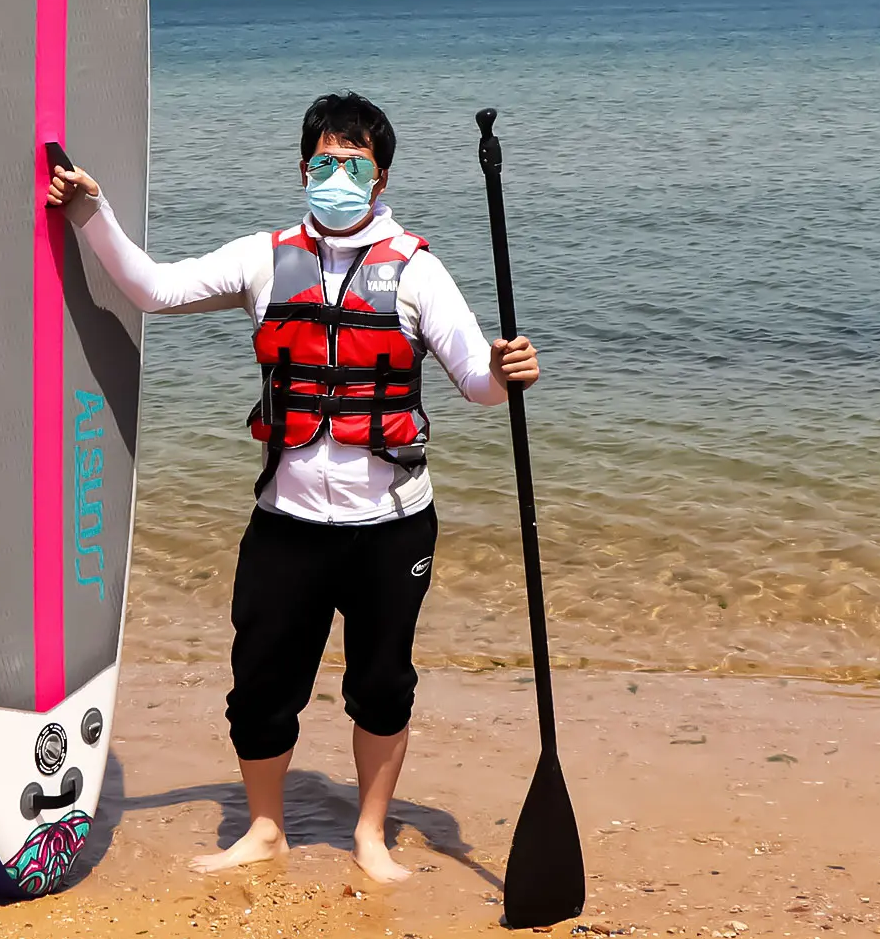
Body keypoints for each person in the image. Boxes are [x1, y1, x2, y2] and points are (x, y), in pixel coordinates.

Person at [46, 90, 539, 883]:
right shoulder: (261, 259)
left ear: (381, 179)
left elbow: (477, 383)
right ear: (302, 168)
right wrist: (89, 212)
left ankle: (370, 835)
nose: (337, 176)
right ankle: (266, 829)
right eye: (323, 161)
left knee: (383, 686)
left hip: (391, 527)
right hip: (287, 524)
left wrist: (506, 372)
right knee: (260, 689)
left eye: (354, 164)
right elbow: (152, 289)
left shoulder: (417, 271)